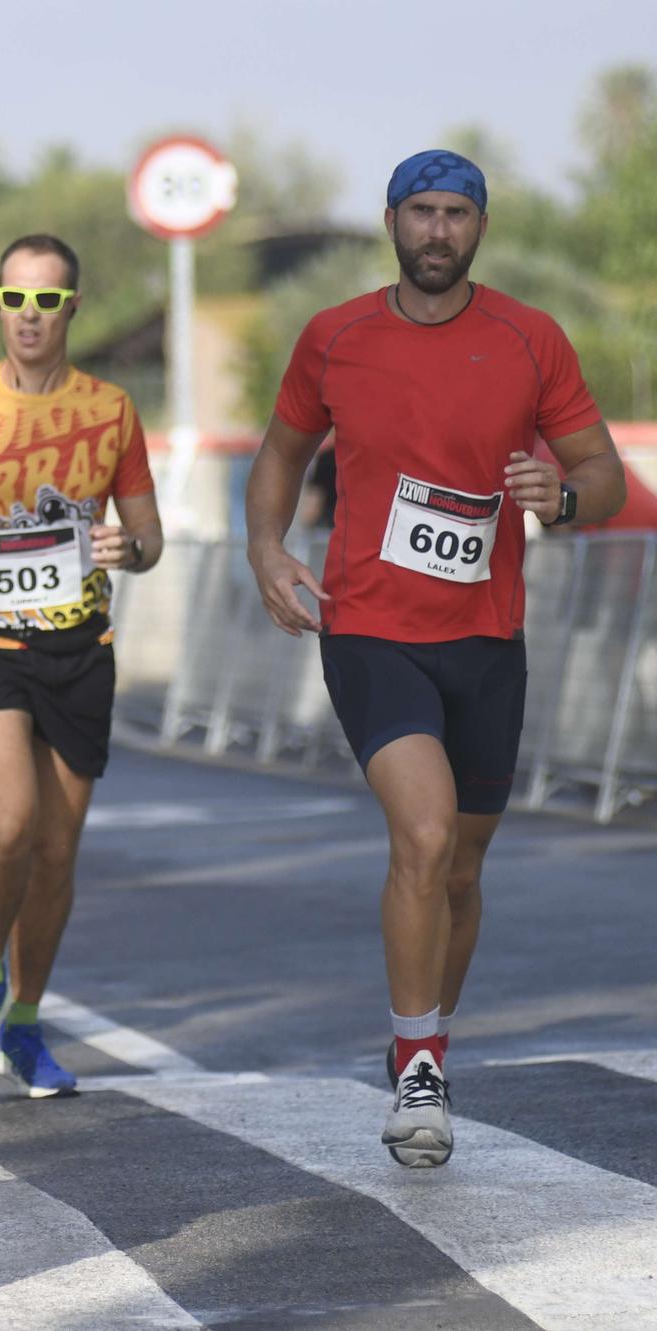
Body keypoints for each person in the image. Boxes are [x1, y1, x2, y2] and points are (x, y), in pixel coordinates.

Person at [245, 151, 624, 1168]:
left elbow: (602, 471)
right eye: (420, 210)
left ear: (478, 228)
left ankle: (423, 1030)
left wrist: (562, 497)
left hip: (486, 638)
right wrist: (264, 546)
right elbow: (280, 449)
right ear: (389, 221)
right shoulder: (334, 337)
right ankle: (419, 1065)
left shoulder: (527, 338)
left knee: (459, 862)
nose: (436, 230)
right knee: (417, 835)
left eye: (455, 213)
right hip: (369, 627)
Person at [0, 234, 165, 1096]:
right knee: (11, 823)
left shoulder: (111, 409)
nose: (31, 317)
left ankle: (25, 1019)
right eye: (17, 300)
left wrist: (123, 545)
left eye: (49, 302)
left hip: (78, 648)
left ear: (72, 308)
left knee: (58, 852)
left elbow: (149, 538)